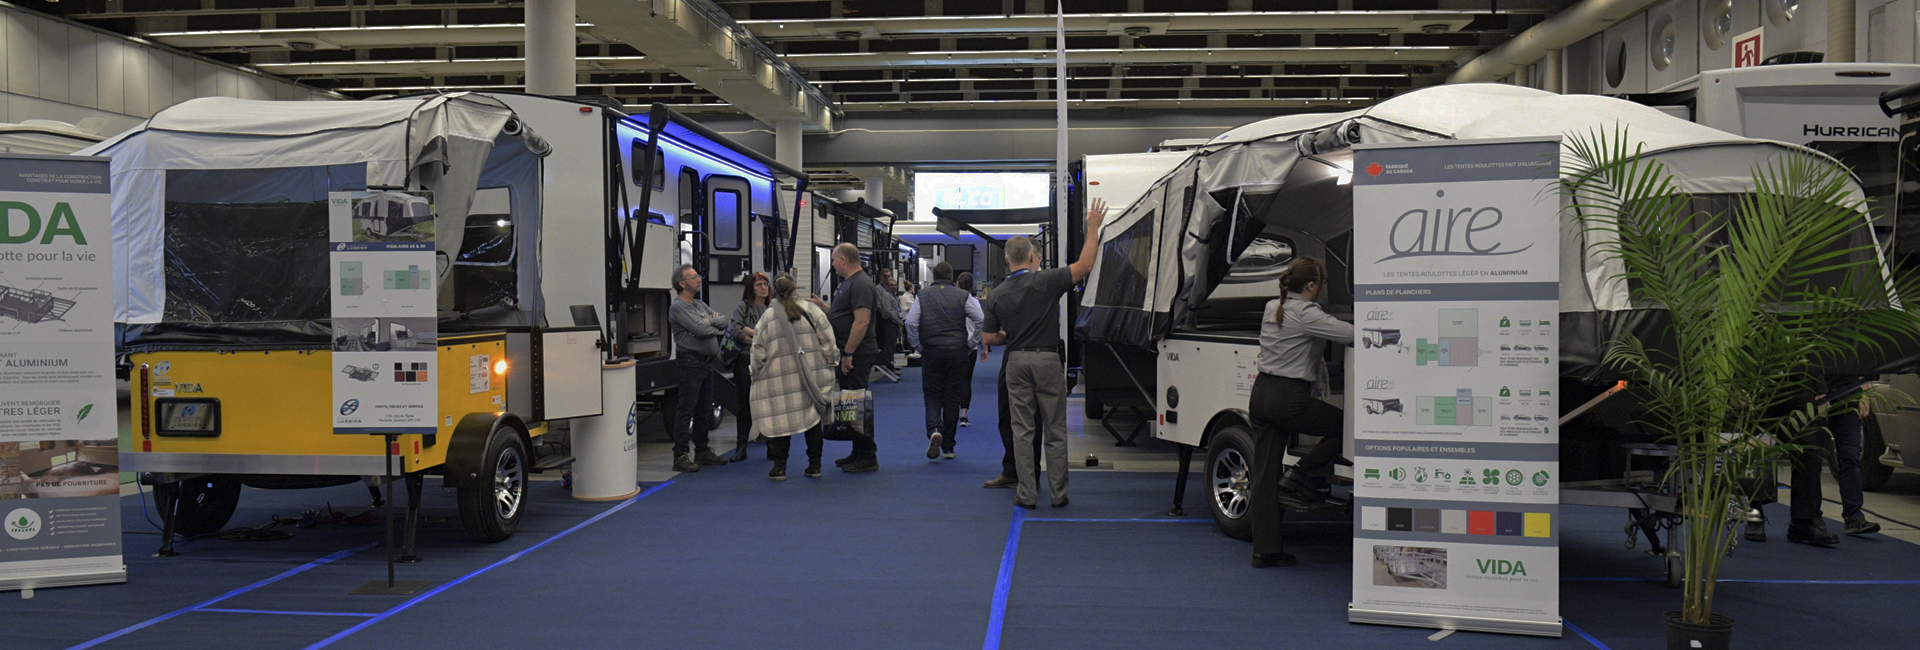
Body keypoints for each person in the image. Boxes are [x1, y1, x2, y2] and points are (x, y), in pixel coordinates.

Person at [981, 198, 1107, 509]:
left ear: (1008, 261)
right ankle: (1059, 494)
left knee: (1022, 429)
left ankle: (1026, 493)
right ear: (1033, 258)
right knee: (1055, 427)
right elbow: (1086, 265)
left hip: (1017, 361)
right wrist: (1093, 227)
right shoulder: (1047, 280)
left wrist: (1007, 335)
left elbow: (987, 337)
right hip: (1048, 359)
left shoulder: (996, 295)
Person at [1247, 257, 1353, 568]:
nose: (1323, 289)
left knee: (1264, 475)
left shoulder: (1272, 307)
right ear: (1310, 286)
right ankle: (1300, 475)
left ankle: (1265, 551)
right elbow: (1349, 334)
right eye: (1322, 284)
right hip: (1288, 397)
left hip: (1261, 393)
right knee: (1342, 428)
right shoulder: (1307, 313)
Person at [749, 275, 837, 480]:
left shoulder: (767, 318)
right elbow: (829, 341)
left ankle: (779, 468)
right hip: (812, 377)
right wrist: (832, 362)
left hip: (779, 381)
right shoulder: (812, 310)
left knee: (781, 423)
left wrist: (755, 373)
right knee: (814, 421)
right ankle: (815, 466)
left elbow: (757, 353)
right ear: (796, 287)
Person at [818, 243, 884, 473]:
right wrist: (823, 308)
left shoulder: (861, 284)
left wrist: (848, 353)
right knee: (851, 403)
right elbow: (843, 315)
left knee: (857, 404)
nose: (833, 264)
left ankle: (868, 456)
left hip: (857, 354)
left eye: (834, 259)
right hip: (848, 353)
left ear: (843, 260)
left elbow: (862, 321)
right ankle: (857, 452)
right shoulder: (849, 284)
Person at [908, 261, 983, 461]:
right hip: (957, 351)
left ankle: (934, 429)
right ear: (952, 278)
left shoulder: (922, 295)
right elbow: (980, 320)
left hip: (932, 351)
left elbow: (910, 322)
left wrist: (919, 346)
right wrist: (971, 343)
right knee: (952, 397)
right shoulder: (963, 295)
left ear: (934, 277)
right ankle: (948, 446)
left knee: (932, 394)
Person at [668, 263, 732, 473]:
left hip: (705, 363)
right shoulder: (678, 307)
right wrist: (708, 324)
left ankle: (702, 451)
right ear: (682, 283)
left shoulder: (700, 305)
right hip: (690, 363)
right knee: (686, 409)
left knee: (704, 410)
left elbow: (724, 321)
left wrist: (708, 322)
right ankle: (680, 454)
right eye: (693, 277)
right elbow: (701, 329)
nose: (699, 280)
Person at [727, 272, 772, 463]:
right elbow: (736, 330)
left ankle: (773, 447)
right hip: (745, 361)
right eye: (759, 285)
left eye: (766, 284)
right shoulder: (743, 306)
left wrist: (750, 331)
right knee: (744, 405)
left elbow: (778, 332)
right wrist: (760, 338)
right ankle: (741, 448)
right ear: (751, 288)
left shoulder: (774, 307)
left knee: (769, 405)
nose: (763, 287)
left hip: (769, 362)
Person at [956, 272, 983, 430]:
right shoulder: (975, 302)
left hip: (955, 345)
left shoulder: (952, 301)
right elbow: (981, 323)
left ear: (958, 284)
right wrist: (981, 345)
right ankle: (963, 415)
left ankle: (950, 412)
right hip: (970, 346)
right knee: (966, 380)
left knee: (952, 380)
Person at [875, 269, 905, 383]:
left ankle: (891, 366)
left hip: (894, 322)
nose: (894, 287)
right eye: (891, 285)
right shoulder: (882, 293)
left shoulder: (894, 296)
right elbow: (886, 310)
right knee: (889, 346)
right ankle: (889, 367)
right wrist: (897, 320)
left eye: (895, 285)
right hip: (886, 322)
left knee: (892, 345)